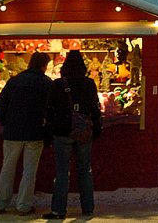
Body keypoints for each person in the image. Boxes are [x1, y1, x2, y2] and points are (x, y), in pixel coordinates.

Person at [43, 51, 101, 220]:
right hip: (83, 131)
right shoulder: (89, 84)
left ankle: (58, 210)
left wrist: (49, 129)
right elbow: (95, 108)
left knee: (62, 171)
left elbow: (50, 109)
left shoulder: (57, 84)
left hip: (62, 131)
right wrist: (96, 127)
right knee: (85, 169)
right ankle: (88, 207)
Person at [0, 52, 52, 216]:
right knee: (29, 171)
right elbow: (51, 109)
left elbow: (1, 103)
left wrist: (6, 121)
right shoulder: (46, 83)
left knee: (7, 168)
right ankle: (23, 205)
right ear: (43, 66)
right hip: (35, 131)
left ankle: (0, 203)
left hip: (13, 131)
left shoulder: (15, 81)